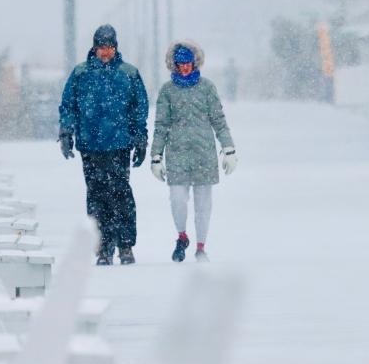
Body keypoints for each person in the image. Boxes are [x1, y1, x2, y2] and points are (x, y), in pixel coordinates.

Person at [58, 24, 149, 266]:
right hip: (90, 145)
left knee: (121, 194)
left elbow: (139, 108)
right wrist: (66, 130)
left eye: (109, 47)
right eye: (101, 47)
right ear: (95, 47)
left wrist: (140, 137)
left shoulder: (128, 73)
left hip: (119, 144)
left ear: (115, 47)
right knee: (96, 196)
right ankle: (102, 247)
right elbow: (68, 105)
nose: (105, 52)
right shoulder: (80, 73)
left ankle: (125, 245)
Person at [150, 40, 237, 262]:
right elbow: (161, 125)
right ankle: (182, 235)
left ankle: (201, 246)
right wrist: (156, 156)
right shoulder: (167, 91)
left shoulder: (207, 88)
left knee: (203, 204)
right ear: (174, 65)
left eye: (188, 63)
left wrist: (228, 148)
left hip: (203, 154)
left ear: (195, 62)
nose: (185, 67)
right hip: (177, 153)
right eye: (181, 63)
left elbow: (218, 119)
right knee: (177, 199)